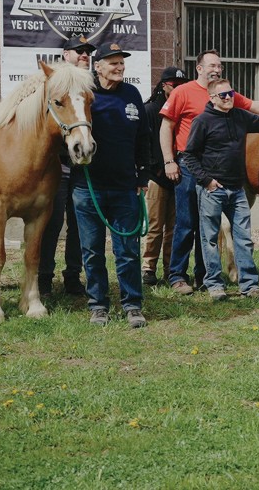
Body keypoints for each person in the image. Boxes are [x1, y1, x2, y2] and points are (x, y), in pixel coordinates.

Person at [160, 49, 259, 295]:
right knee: (186, 223)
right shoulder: (184, 93)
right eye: (212, 65)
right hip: (190, 165)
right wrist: (169, 160)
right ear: (199, 68)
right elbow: (166, 126)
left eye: (220, 65)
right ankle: (178, 276)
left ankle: (205, 277)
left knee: (210, 229)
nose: (216, 69)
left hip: (224, 174)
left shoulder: (230, 99)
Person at [71, 42, 150, 328]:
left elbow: (144, 137)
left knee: (128, 249)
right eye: (113, 63)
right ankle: (98, 306)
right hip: (87, 188)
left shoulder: (132, 94)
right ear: (98, 66)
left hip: (125, 188)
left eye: (122, 63)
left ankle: (132, 305)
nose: (119, 68)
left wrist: (142, 176)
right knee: (91, 251)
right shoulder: (84, 91)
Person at [37, 34, 95, 296]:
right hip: (57, 167)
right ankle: (44, 277)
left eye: (87, 52)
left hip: (84, 167)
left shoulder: (90, 85)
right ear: (65, 55)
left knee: (79, 224)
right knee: (51, 223)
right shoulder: (51, 83)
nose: (84, 54)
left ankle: (73, 275)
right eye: (78, 50)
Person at [141, 66, 189, 286]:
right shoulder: (151, 109)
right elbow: (145, 143)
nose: (178, 88)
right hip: (157, 176)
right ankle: (148, 268)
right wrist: (155, 169)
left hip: (179, 175)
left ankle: (171, 268)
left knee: (175, 226)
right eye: (174, 84)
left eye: (181, 84)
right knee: (155, 225)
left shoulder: (182, 108)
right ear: (163, 85)